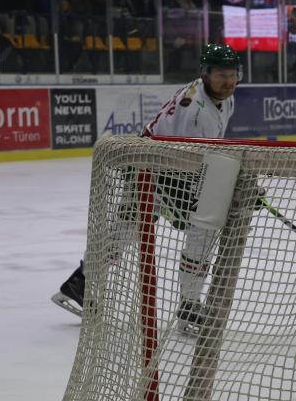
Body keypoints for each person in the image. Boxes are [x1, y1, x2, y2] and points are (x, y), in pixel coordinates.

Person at [53, 43, 243, 334]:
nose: (228, 81)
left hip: (161, 163)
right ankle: (189, 306)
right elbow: (198, 164)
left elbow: (207, 155)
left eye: (233, 74)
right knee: (203, 226)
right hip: (155, 168)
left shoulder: (221, 98)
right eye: (220, 74)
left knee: (128, 228)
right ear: (205, 74)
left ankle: (81, 282)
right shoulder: (197, 113)